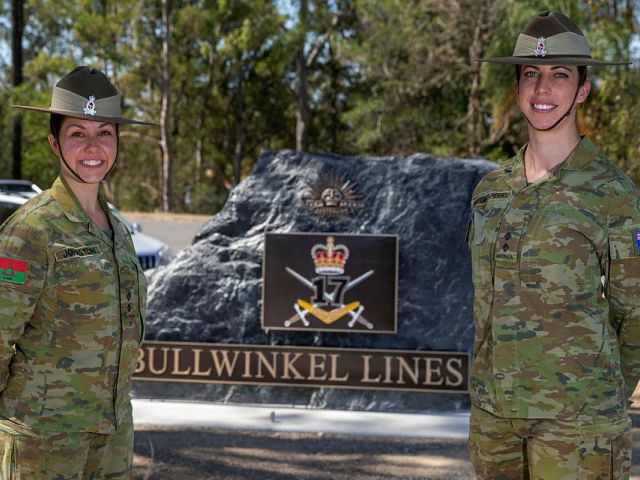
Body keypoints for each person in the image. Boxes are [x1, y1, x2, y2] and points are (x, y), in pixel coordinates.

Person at [468, 11, 640, 479]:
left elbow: (635, 313)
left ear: (582, 88)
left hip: (578, 425)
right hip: (493, 416)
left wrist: (596, 396)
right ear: (518, 86)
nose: (543, 89)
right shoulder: (490, 191)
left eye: (559, 75)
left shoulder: (613, 193)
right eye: (531, 75)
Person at [0, 66, 154, 478]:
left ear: (118, 141)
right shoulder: (31, 230)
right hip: (43, 440)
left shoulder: (118, 229)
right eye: (77, 134)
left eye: (104, 132)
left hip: (112, 435)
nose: (93, 146)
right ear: (55, 142)